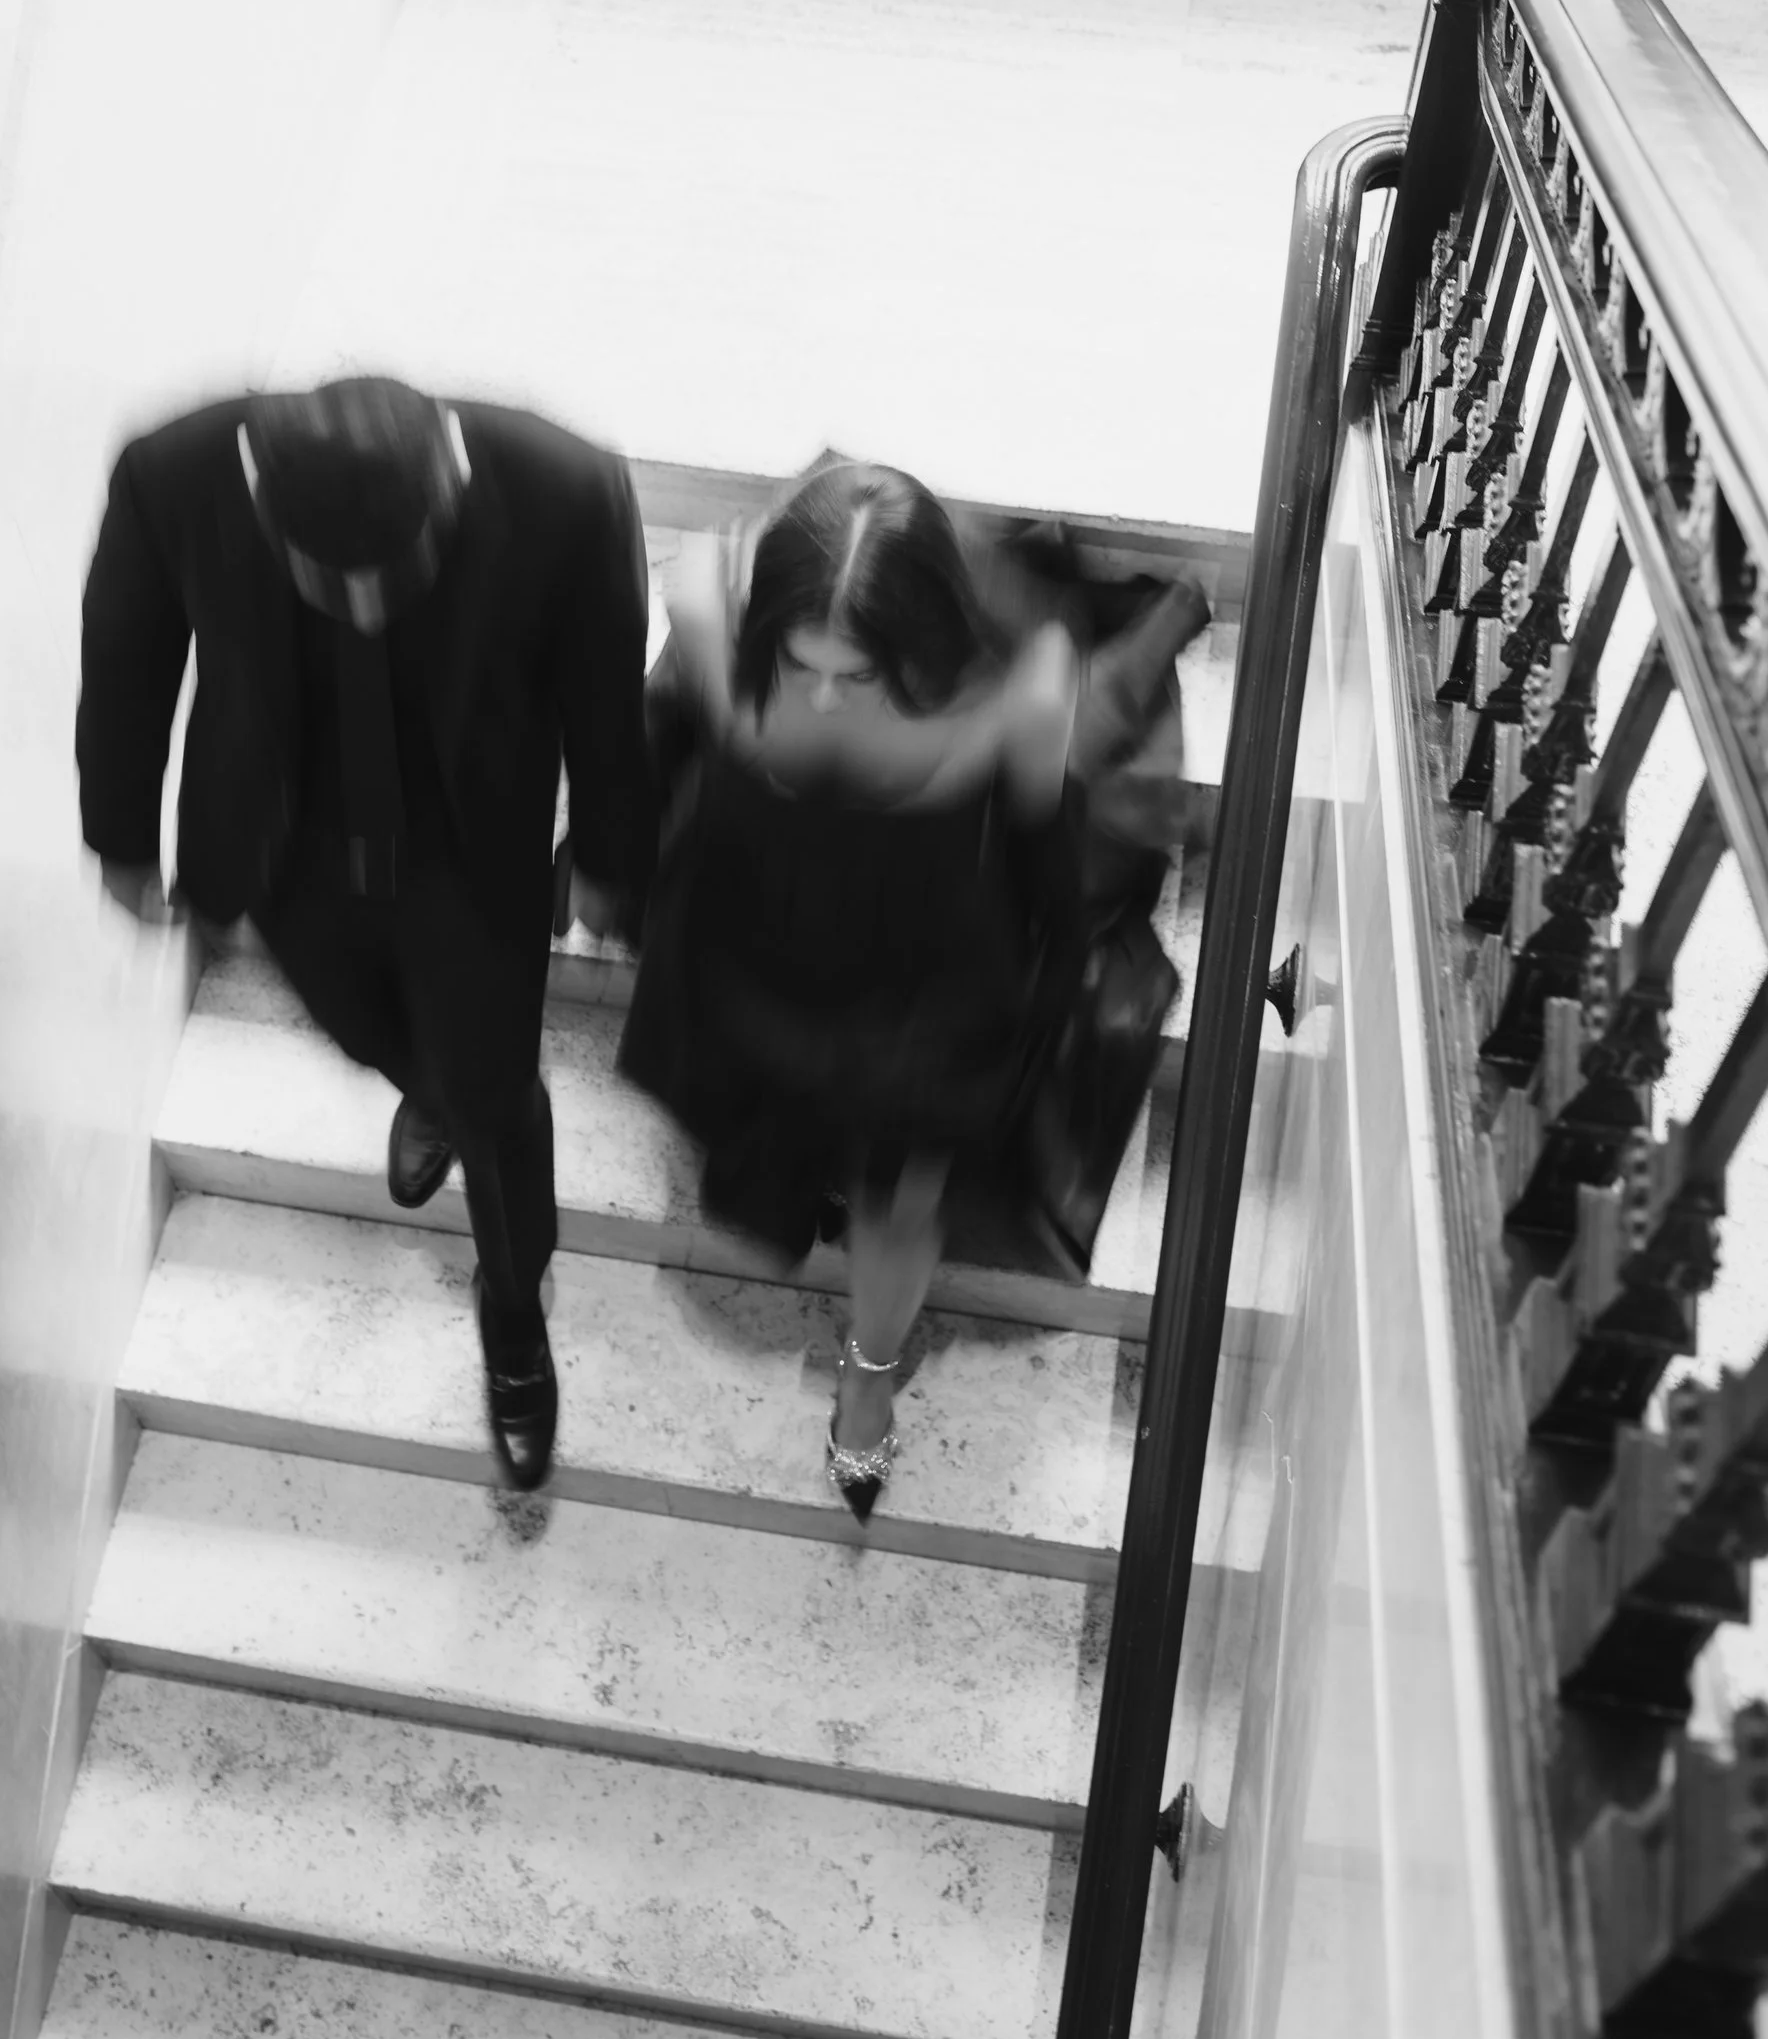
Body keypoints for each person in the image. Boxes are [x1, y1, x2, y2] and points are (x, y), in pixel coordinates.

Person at [76, 374, 654, 1489]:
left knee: (495, 1093)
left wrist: (611, 858)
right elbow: (128, 645)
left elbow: (603, 687)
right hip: (291, 844)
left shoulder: (564, 487)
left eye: (398, 573)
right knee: (360, 1029)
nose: (371, 603)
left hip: (469, 839)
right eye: (332, 582)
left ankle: (514, 1311)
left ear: (451, 479)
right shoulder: (175, 475)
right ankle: (424, 1085)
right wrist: (122, 839)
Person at [618, 459, 1205, 1519]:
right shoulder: (717, 628)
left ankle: (866, 1380)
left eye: (861, 674)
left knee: (904, 1203)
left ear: (924, 649)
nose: (827, 700)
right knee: (768, 1126)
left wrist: (1035, 997)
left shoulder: (1019, 704)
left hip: (923, 979)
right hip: (762, 939)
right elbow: (697, 598)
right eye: (804, 667)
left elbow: (1043, 863)